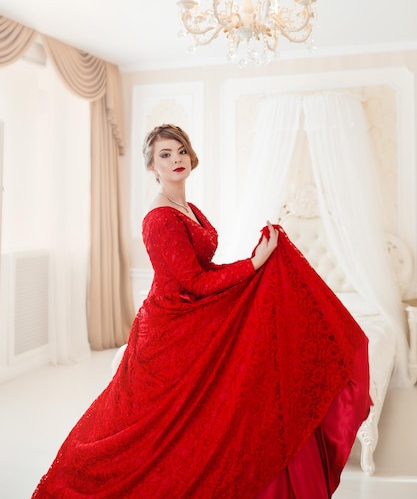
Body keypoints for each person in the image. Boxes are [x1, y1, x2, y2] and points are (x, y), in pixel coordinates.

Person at [33, 123, 371, 498]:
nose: (176, 159)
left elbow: (202, 272)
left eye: (180, 151)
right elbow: (194, 281)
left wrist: (253, 264)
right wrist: (254, 266)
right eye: (165, 155)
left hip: (187, 316)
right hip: (168, 332)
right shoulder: (160, 218)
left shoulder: (187, 207)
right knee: (149, 429)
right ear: (152, 168)